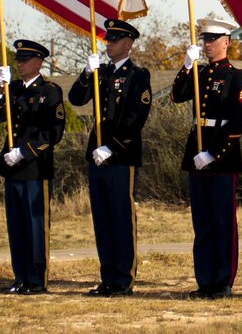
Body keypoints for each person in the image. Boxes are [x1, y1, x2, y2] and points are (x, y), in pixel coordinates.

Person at [68, 19, 152, 297]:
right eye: (108, 40)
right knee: (102, 219)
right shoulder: (100, 72)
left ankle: (123, 280)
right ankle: (107, 278)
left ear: (127, 44)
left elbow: (135, 118)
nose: (109, 44)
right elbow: (76, 99)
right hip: (96, 154)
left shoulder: (138, 75)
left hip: (120, 156)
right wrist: (85, 73)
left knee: (121, 217)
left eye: (114, 40)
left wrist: (112, 148)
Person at [170, 18, 242, 299]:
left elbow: (239, 123)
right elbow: (176, 96)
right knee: (202, 222)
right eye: (204, 40)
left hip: (221, 156)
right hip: (197, 152)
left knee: (223, 221)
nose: (206, 45)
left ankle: (223, 281)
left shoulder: (235, 76)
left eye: (212, 40)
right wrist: (186, 66)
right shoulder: (199, 73)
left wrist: (213, 154)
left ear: (226, 42)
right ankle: (205, 280)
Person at [0, 39, 65, 295]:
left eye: (24, 59)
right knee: (17, 226)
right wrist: (1, 90)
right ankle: (20, 277)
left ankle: (36, 279)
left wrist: (24, 152)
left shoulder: (50, 91)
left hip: (35, 167)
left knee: (35, 226)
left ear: (38, 62)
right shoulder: (14, 90)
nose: (19, 64)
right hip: (12, 168)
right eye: (18, 59)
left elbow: (53, 133)